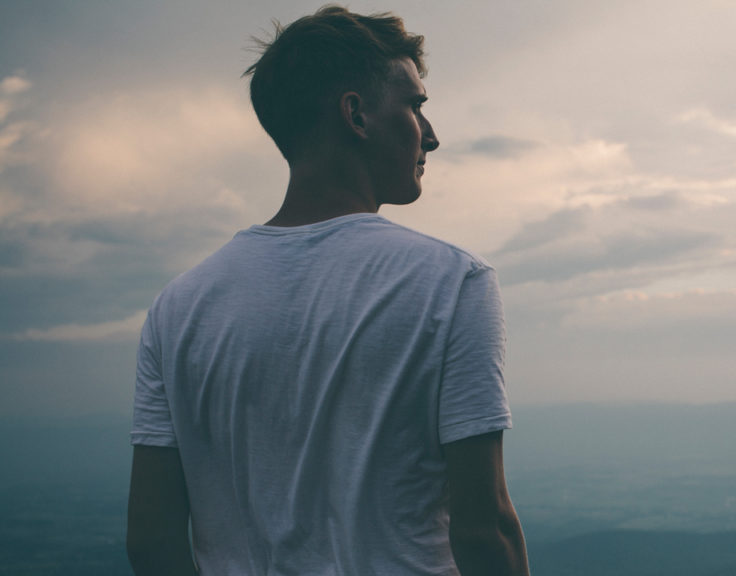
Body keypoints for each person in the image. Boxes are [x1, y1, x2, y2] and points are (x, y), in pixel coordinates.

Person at [125, 6, 529, 576]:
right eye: (415, 107)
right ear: (356, 114)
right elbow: (484, 528)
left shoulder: (179, 307)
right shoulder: (452, 282)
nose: (432, 137)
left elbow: (151, 539)